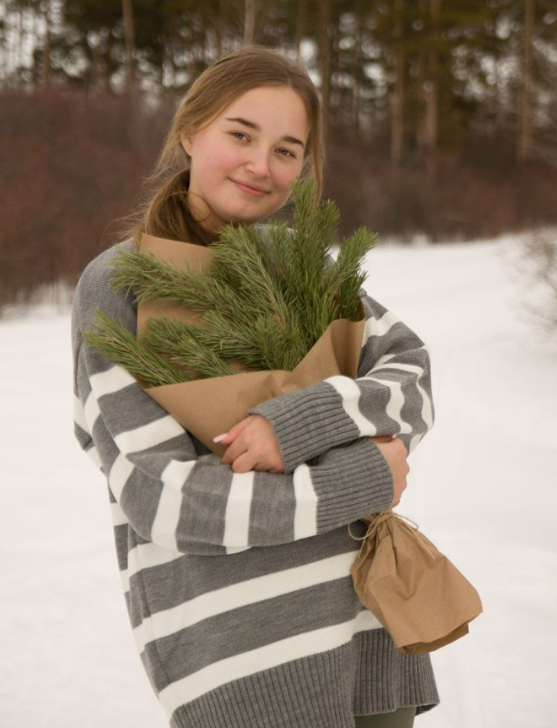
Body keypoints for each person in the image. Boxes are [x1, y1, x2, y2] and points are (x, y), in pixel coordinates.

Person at [72, 45, 439, 728]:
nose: (259, 165)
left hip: (373, 628)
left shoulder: (299, 265)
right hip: (246, 664)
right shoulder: (120, 284)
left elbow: (409, 376)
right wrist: (362, 477)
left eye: (286, 149)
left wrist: (293, 423)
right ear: (190, 131)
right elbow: (163, 498)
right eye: (239, 134)